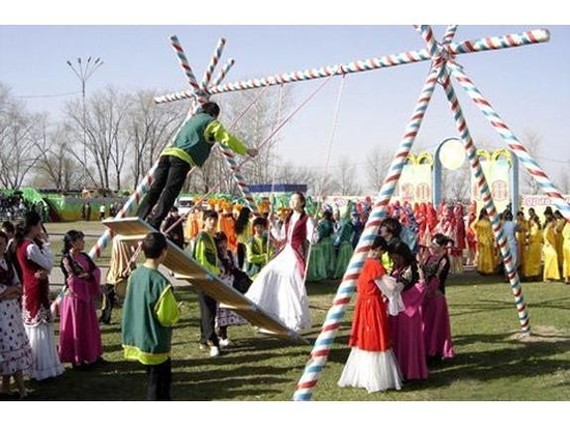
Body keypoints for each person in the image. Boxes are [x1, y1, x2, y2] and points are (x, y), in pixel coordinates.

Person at [136, 102, 258, 230]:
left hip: (166, 155)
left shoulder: (192, 120)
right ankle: (155, 222)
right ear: (214, 114)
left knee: (155, 188)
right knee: (170, 191)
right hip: (182, 159)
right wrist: (246, 150)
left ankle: (139, 216)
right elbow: (227, 139)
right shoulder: (211, 122)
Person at [337, 235, 403, 393]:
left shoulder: (358, 261)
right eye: (381, 252)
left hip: (362, 303)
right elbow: (387, 289)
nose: (381, 255)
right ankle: (376, 379)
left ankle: (361, 375)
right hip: (373, 305)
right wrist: (399, 285)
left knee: (363, 337)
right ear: (378, 249)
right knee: (375, 337)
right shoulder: (374, 264)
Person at [121, 232, 180, 401]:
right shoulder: (160, 282)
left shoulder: (135, 275)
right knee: (158, 386)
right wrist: (177, 311)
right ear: (164, 251)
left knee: (152, 379)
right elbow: (167, 317)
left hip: (140, 338)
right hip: (155, 342)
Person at [245, 191, 314, 332]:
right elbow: (281, 237)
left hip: (296, 255)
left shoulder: (307, 219)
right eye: (291, 200)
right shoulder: (288, 218)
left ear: (302, 202)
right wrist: (272, 223)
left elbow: (313, 238)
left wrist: (314, 232)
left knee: (290, 282)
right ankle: (264, 308)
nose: (292, 202)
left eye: (295, 200)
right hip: (285, 252)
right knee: (268, 272)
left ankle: (294, 319)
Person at [15, 211, 64, 381]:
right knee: (40, 327)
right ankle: (42, 367)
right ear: (34, 226)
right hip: (36, 289)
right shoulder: (30, 246)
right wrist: (47, 243)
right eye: (39, 224)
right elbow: (49, 264)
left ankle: (37, 366)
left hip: (30, 288)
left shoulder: (22, 244)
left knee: (34, 327)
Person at [58, 230, 103, 369]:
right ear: (72, 242)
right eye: (80, 239)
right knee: (76, 328)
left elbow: (95, 271)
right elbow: (72, 278)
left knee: (89, 327)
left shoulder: (84, 256)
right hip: (75, 300)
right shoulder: (67, 259)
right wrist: (87, 278)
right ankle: (77, 359)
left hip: (86, 298)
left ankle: (93, 356)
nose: (83, 242)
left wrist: (89, 277)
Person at [388, 240, 427, 381]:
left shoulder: (412, 267)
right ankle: (399, 370)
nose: (394, 260)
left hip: (408, 309)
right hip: (398, 309)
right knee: (397, 339)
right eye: (393, 258)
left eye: (396, 257)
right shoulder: (399, 266)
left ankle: (410, 371)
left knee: (407, 341)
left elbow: (406, 285)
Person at [0, 231, 32, 399]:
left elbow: (18, 286)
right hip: (1, 315)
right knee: (7, 348)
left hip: (12, 312)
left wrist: (10, 292)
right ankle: (22, 390)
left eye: (3, 244)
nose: (1, 247)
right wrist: (8, 291)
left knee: (11, 348)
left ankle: (5, 388)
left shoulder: (7, 262)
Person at [189, 209, 223, 357]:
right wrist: (215, 271)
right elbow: (203, 260)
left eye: (215, 220)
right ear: (204, 220)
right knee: (209, 311)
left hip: (209, 277)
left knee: (207, 310)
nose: (213, 222)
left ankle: (203, 340)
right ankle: (213, 343)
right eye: (210, 219)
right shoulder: (203, 237)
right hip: (205, 279)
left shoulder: (210, 236)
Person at [419, 233, 455, 361]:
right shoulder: (429, 257)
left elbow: (438, 277)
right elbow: (422, 270)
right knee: (425, 324)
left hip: (436, 295)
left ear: (443, 246)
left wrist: (430, 289)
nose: (432, 246)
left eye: (435, 244)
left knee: (435, 325)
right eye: (432, 244)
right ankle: (425, 349)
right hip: (426, 295)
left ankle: (435, 351)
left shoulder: (444, 260)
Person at [213, 231, 249, 347]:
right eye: (220, 243)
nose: (222, 245)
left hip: (230, 285)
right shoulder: (214, 256)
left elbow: (236, 267)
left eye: (224, 242)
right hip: (219, 286)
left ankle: (223, 334)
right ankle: (220, 335)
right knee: (220, 312)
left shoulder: (229, 253)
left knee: (227, 311)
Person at [472, 208, 496, 275]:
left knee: (482, 255)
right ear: (485, 214)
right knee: (487, 255)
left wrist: (477, 236)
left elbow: (473, 227)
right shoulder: (488, 223)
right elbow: (491, 232)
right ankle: (488, 269)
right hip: (487, 240)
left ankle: (481, 268)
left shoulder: (479, 222)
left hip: (481, 240)